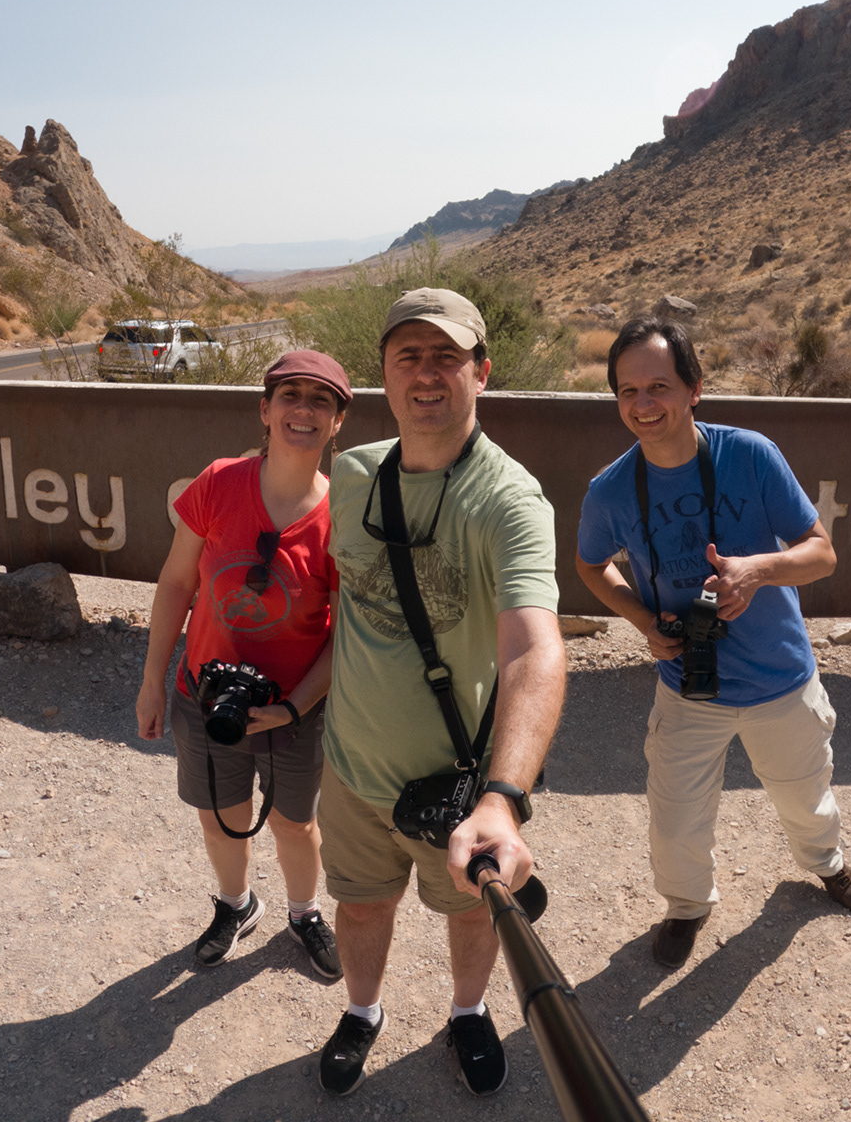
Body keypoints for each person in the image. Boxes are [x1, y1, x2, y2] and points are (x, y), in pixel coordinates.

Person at [315, 287, 566, 1099]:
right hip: (351, 770)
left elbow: (534, 646)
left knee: (467, 911)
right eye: (408, 357)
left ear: (482, 371)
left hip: (456, 786)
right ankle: (363, 1011)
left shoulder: (509, 500)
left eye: (446, 356)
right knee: (358, 908)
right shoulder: (352, 474)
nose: (426, 375)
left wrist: (503, 799)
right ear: (383, 377)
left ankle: (466, 1012)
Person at [574, 317, 851, 972]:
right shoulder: (612, 490)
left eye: (659, 387)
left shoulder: (750, 455)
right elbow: (591, 566)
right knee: (675, 820)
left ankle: (827, 866)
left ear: (694, 389)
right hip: (688, 684)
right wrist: (643, 621)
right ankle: (686, 907)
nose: (644, 406)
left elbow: (821, 553)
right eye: (627, 392)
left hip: (780, 677)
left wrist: (757, 571)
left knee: (803, 792)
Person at [135, 349, 353, 980]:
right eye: (290, 396)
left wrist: (291, 706)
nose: (303, 411)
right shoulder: (220, 483)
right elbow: (176, 582)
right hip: (203, 695)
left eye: (321, 401)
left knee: (294, 821)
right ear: (265, 409)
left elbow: (346, 635)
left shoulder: (339, 518)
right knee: (219, 817)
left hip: (294, 706)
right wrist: (153, 682)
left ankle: (304, 911)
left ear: (338, 422)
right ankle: (236, 903)